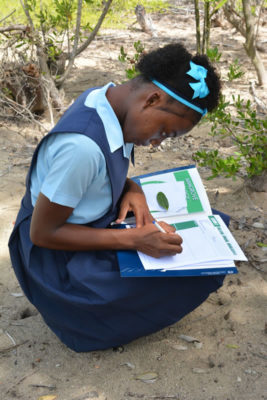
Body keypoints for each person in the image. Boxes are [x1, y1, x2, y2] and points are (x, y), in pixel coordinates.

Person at [9, 43, 227, 352]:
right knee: (192, 272)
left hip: (88, 224)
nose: (156, 143)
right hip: (56, 264)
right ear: (152, 99)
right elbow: (43, 232)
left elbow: (96, 170)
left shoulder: (108, 100)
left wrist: (131, 188)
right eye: (164, 131)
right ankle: (83, 320)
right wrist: (135, 240)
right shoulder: (80, 148)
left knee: (213, 228)